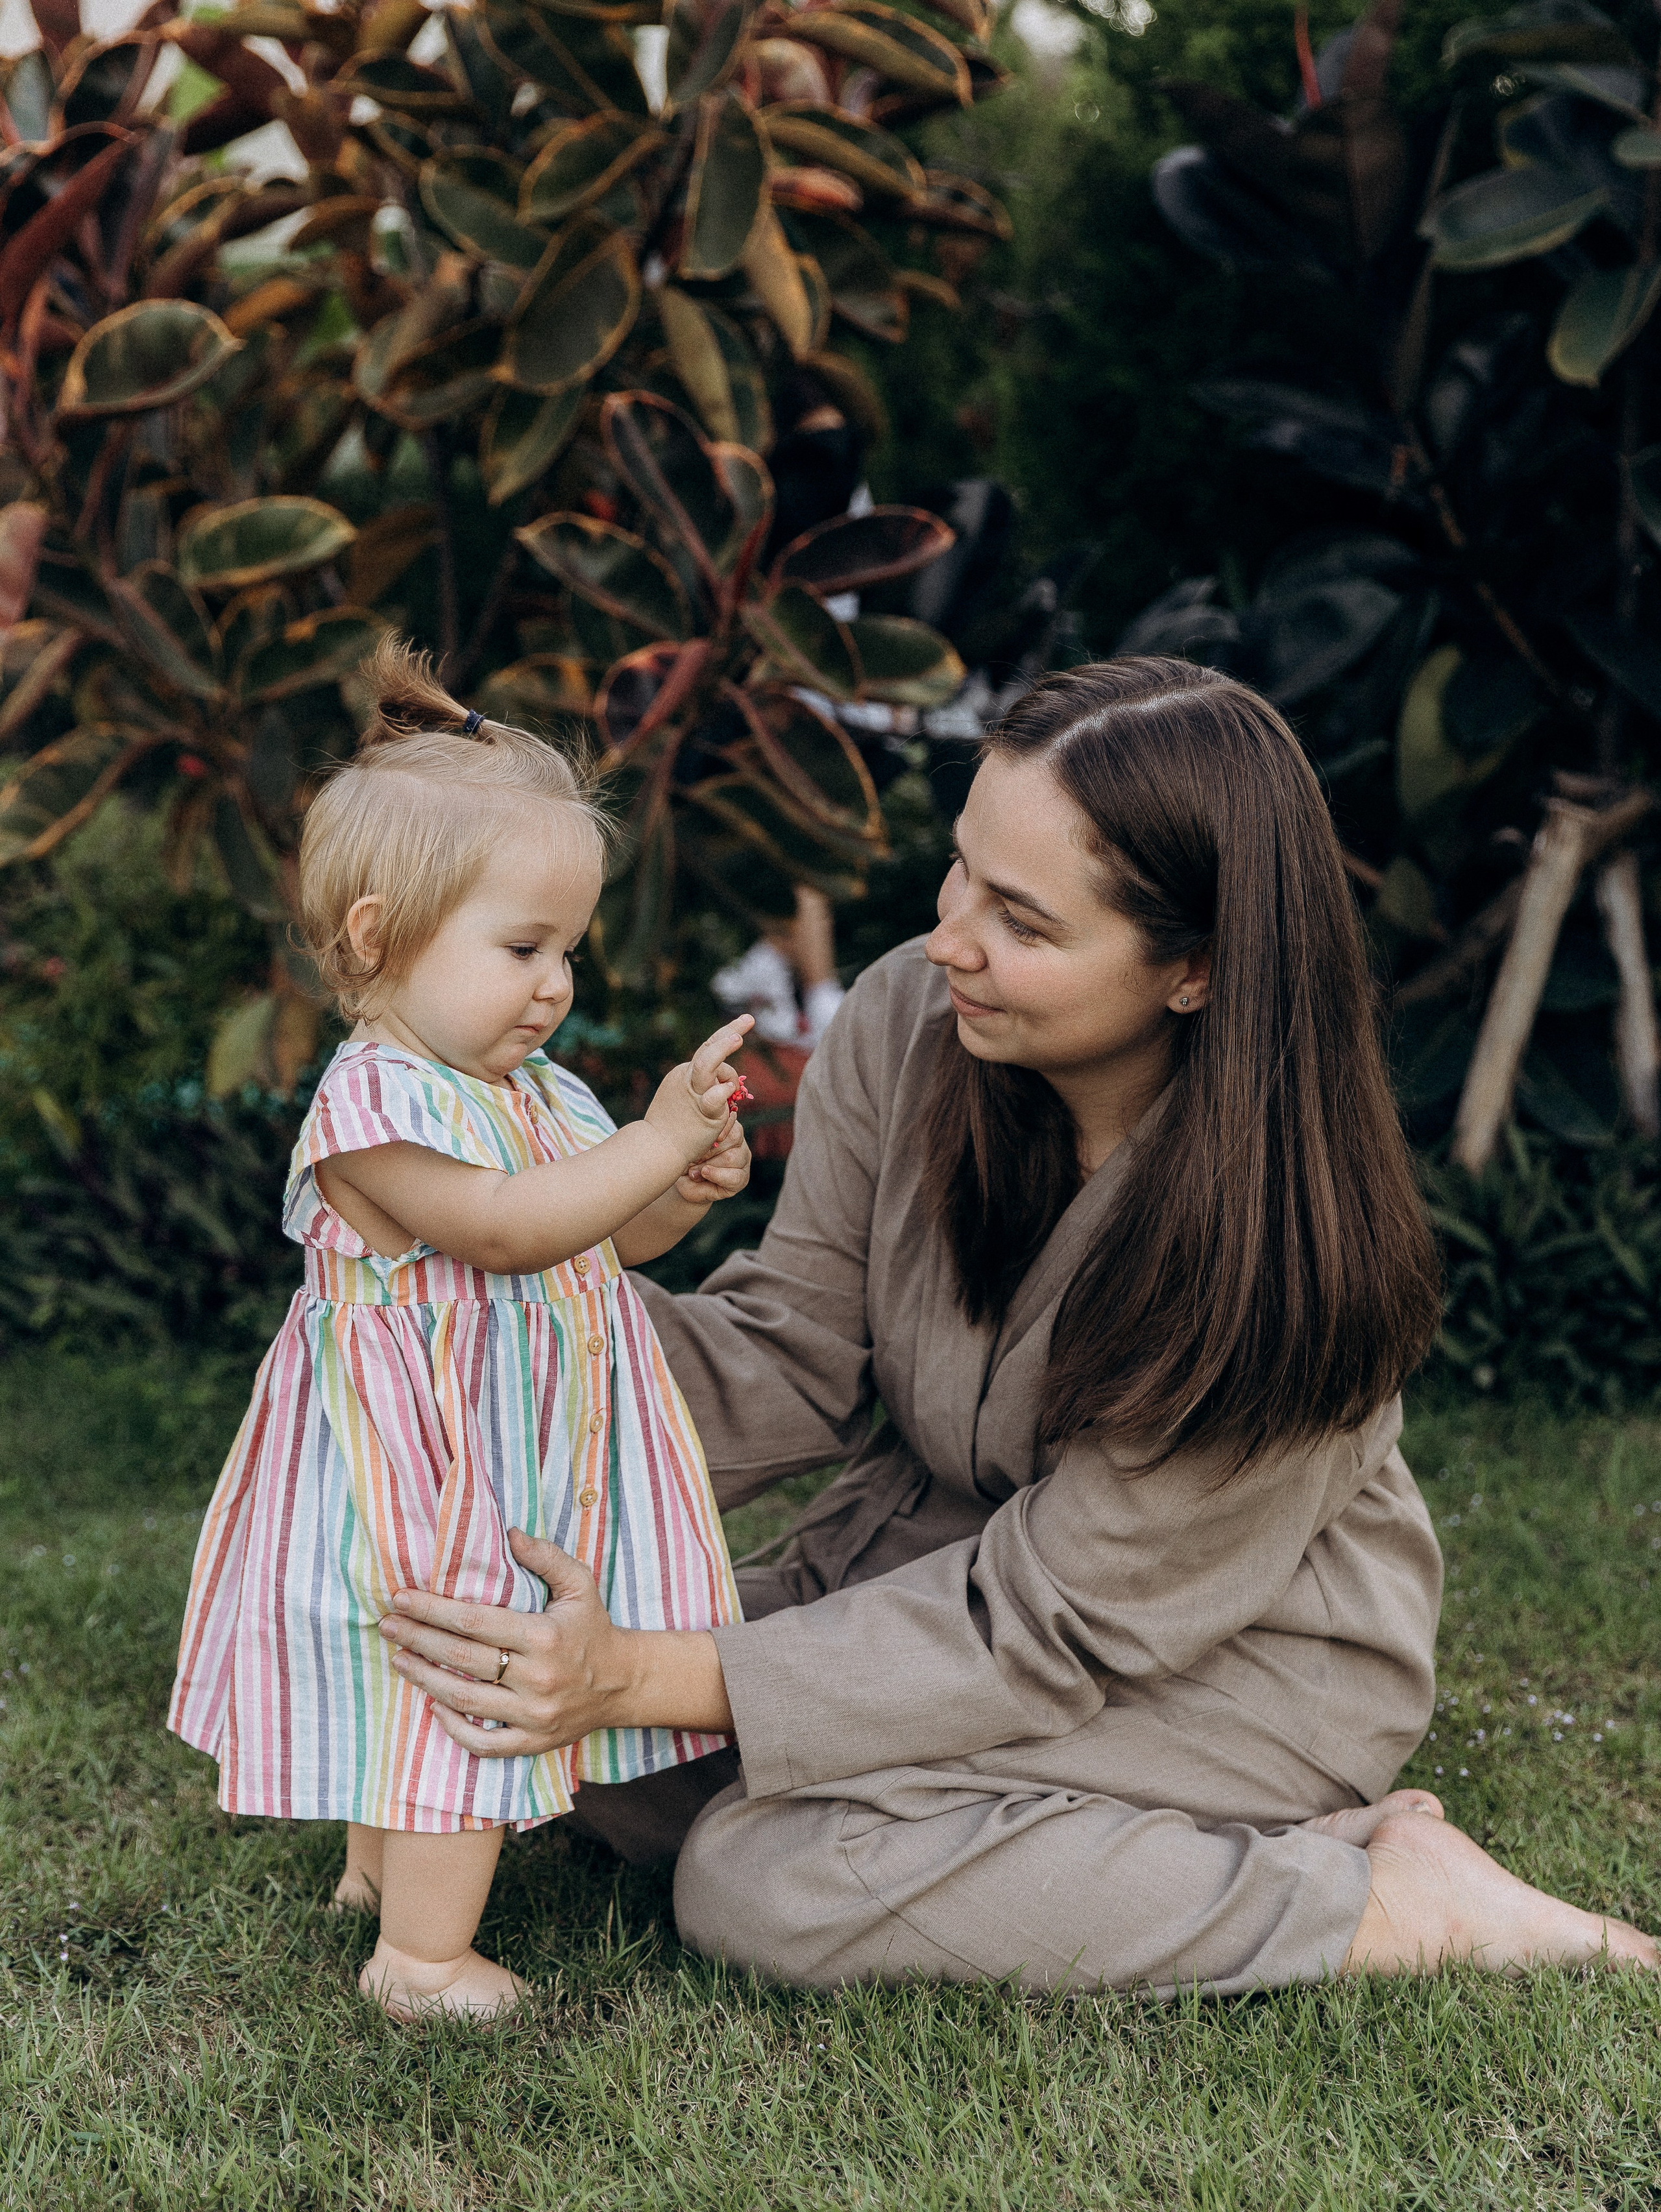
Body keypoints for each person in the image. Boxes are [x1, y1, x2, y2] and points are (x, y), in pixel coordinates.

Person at [373, 658, 1660, 1992]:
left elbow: (1045, 1626)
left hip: (1220, 1659)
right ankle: (1068, 1841)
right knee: (585, 1765)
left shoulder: (1284, 1263)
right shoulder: (905, 1021)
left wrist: (634, 1674)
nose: (949, 938)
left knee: (764, 1873)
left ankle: (1379, 1897)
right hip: (935, 1567)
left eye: (1020, 921)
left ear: (1194, 970)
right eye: (958, 873)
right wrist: (480, 1349)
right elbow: (787, 1349)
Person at [169, 641, 754, 2023]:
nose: (552, 983)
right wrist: (651, 1140)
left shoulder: (532, 1086)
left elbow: (592, 1234)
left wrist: (675, 1183)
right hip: (420, 1468)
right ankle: (421, 1961)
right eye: (519, 948)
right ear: (378, 940)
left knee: (424, 1667)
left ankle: (375, 1878)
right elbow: (500, 1230)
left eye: (565, 950)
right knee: (454, 1667)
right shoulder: (375, 1106)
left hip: (506, 1448)